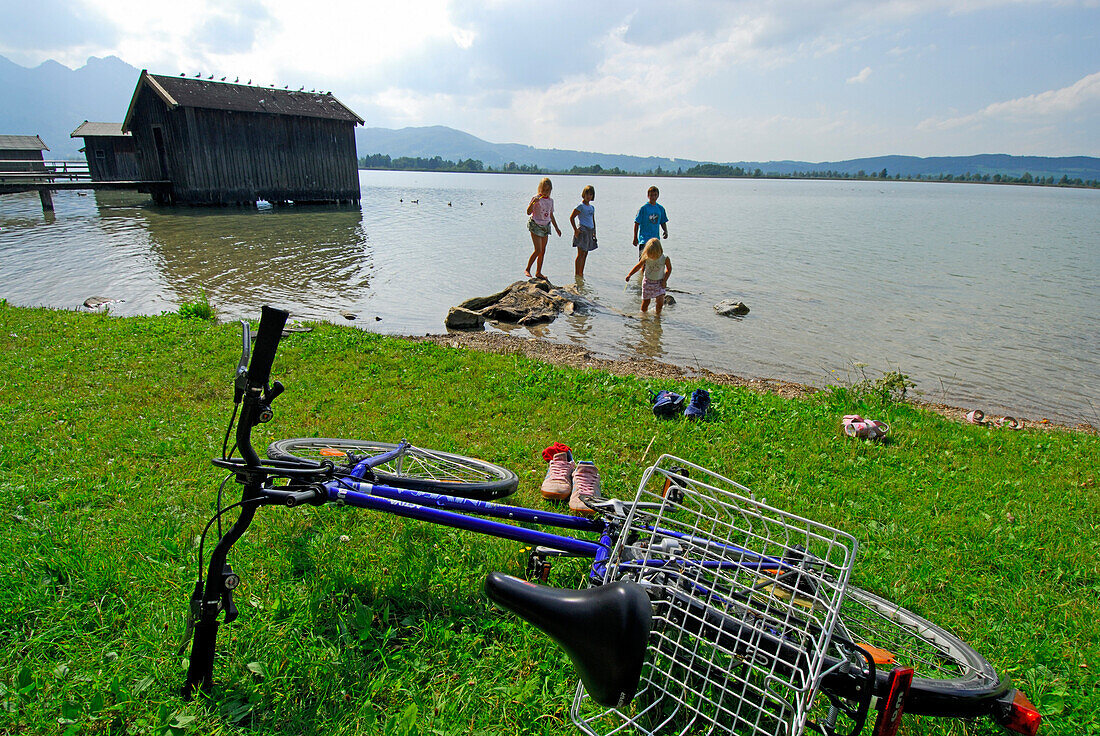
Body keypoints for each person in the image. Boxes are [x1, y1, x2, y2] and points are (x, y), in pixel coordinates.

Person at [525, 177, 561, 279]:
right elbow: (528, 212)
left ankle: (538, 272)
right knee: (538, 250)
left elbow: (551, 215)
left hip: (546, 226)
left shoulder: (550, 201)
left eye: (547, 190)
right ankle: (527, 269)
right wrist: (533, 203)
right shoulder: (536, 198)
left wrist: (557, 228)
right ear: (539, 189)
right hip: (535, 225)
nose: (545, 192)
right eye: (543, 190)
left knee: (543, 251)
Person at [626, 238, 673, 315]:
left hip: (660, 282)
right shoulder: (646, 257)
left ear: (659, 251)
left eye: (654, 255)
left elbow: (669, 269)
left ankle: (658, 316)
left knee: (660, 301)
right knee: (646, 302)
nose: (653, 257)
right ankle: (643, 316)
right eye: (651, 254)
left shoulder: (665, 258)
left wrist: (665, 280)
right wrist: (629, 275)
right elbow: (638, 266)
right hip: (647, 282)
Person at [569, 185, 597, 278]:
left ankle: (581, 273)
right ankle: (577, 274)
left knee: (585, 253)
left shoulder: (592, 207)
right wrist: (575, 230)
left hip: (590, 231)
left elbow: (593, 220)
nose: (589, 196)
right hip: (582, 230)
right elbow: (572, 218)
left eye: (590, 194)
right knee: (580, 254)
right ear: (583, 194)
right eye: (587, 194)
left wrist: (594, 232)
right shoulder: (580, 206)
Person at [632, 185, 668, 255]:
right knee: (643, 262)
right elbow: (637, 223)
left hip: (655, 241)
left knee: (656, 261)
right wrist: (635, 238)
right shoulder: (643, 208)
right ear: (648, 196)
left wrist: (665, 231)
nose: (653, 197)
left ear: (658, 195)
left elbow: (663, 221)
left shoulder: (660, 209)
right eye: (651, 195)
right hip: (644, 240)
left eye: (655, 195)